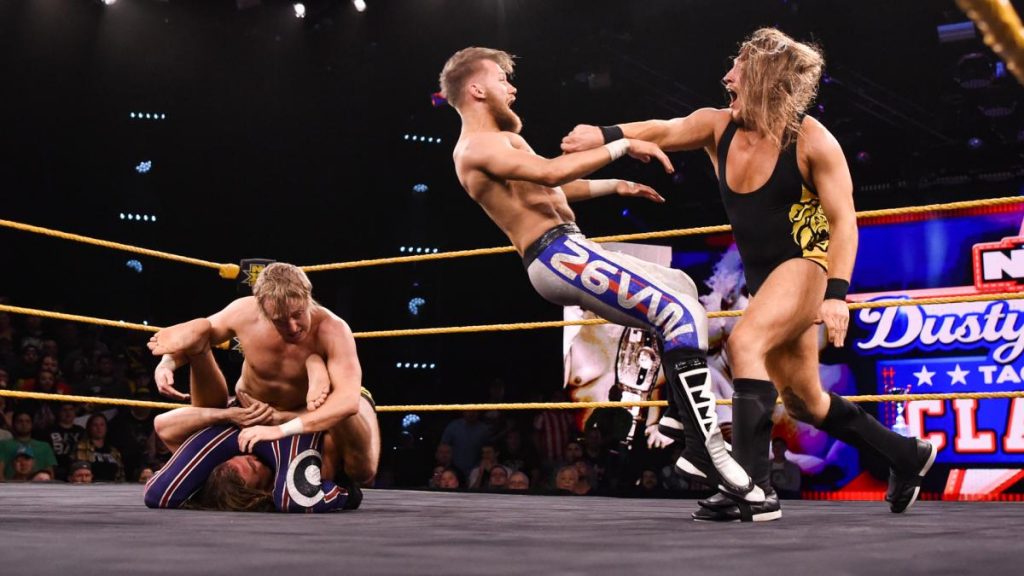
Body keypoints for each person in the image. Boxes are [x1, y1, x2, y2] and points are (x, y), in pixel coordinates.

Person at [560, 27, 935, 521]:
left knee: (745, 343)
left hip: (805, 265)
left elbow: (844, 220)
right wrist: (606, 135)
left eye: (736, 69)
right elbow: (664, 129)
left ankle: (752, 488)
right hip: (766, 280)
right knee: (804, 402)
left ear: (763, 77)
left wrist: (837, 294)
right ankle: (907, 454)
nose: (726, 78)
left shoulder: (812, 141)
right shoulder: (719, 127)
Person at [440, 46, 763, 504]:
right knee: (677, 314)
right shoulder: (477, 146)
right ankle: (705, 450)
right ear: (476, 89)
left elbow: (553, 188)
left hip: (570, 246)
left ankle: (678, 417)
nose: (511, 88)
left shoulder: (500, 141)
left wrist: (616, 185)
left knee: (683, 288)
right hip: (556, 255)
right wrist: (622, 145)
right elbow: (551, 172)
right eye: (501, 79)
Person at [146, 262, 380, 487]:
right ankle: (313, 363)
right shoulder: (244, 312)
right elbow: (193, 335)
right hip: (249, 412)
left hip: (308, 411)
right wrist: (167, 363)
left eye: (298, 314)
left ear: (308, 297)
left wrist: (279, 427)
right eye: (279, 320)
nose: (292, 327)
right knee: (200, 343)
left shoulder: (333, 329)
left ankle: (317, 367)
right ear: (262, 310)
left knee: (363, 471)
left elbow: (347, 402)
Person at [143, 399, 358, 513]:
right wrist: (284, 419)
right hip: (313, 401)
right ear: (261, 491)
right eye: (254, 467)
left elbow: (161, 424)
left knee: (158, 494)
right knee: (362, 467)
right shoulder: (299, 482)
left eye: (242, 456)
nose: (251, 453)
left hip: (244, 397)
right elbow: (335, 420)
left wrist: (225, 415)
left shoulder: (232, 442)